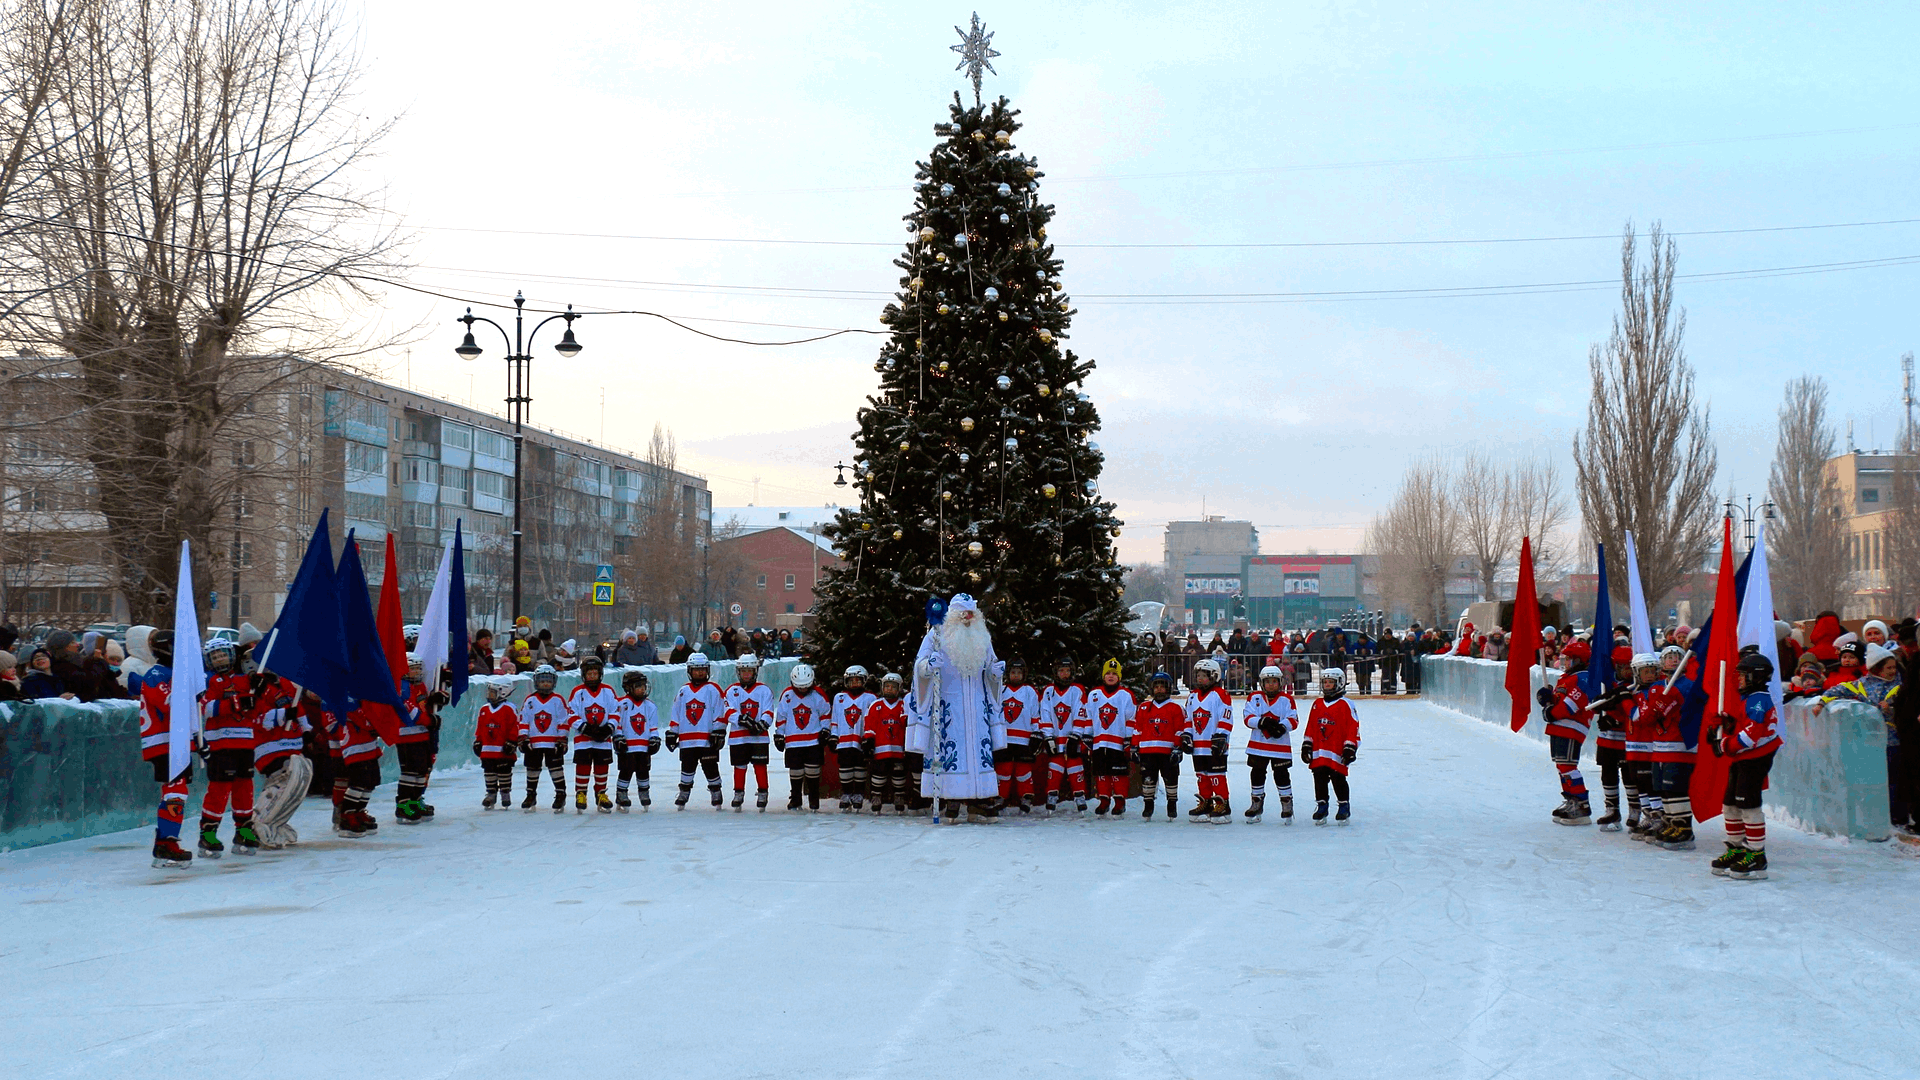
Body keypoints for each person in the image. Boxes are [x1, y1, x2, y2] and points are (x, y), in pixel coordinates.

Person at [908, 594, 1009, 821]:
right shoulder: (935, 636)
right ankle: (950, 798)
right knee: (951, 752)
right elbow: (919, 669)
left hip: (977, 706)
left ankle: (979, 800)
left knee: (977, 752)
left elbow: (990, 667)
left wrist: (995, 674)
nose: (967, 619)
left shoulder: (983, 637)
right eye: (963, 614)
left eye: (971, 615)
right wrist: (928, 666)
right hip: (948, 707)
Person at [1708, 653, 1781, 879]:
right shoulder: (1749, 698)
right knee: (1730, 803)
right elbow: (1744, 725)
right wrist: (1729, 724)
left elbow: (1752, 735)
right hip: (1743, 757)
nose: (1738, 680)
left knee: (1748, 803)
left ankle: (1757, 854)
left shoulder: (1759, 698)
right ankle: (1736, 847)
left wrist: (1724, 744)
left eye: (1742, 675)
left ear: (1755, 676)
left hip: (1755, 757)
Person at [1813, 643, 1902, 827]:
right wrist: (1821, 703)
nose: (1893, 671)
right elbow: (1837, 690)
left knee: (1894, 780)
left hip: (1893, 740)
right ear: (1877, 668)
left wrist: (1891, 710)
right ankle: (1873, 814)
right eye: (1889, 668)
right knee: (1872, 781)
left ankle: (1895, 816)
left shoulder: (1901, 685)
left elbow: (1907, 712)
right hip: (1869, 742)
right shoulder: (1863, 684)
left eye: (1894, 667)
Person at [195, 641, 260, 857]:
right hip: (220, 743)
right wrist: (235, 704)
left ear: (232, 656)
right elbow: (205, 708)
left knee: (244, 787)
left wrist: (259, 691)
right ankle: (208, 834)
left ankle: (243, 830)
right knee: (219, 789)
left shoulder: (245, 679)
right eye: (215, 657)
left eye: (222, 655)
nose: (219, 660)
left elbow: (256, 709)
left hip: (245, 743)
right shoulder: (208, 681)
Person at [135, 631, 194, 868]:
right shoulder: (157, 673)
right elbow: (170, 703)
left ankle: (165, 840)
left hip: (175, 740)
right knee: (175, 791)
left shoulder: (173, 673)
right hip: (163, 741)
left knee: (176, 790)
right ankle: (166, 843)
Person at [1536, 639, 1593, 825]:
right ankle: (1571, 799)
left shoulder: (1583, 678)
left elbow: (1570, 705)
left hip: (1572, 727)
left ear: (1579, 660)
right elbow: (1559, 701)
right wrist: (1547, 699)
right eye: (1564, 658)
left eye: (1569, 659)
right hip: (1560, 727)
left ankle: (1581, 804)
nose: (1565, 663)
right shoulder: (1567, 677)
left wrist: (1550, 712)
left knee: (1568, 766)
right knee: (1562, 766)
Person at [247, 674, 308, 848]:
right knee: (280, 782)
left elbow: (297, 707)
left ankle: (275, 820)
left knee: (294, 786)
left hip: (290, 744)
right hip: (269, 746)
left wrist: (306, 729)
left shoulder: (286, 684)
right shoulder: (254, 688)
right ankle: (257, 821)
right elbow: (257, 717)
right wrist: (283, 714)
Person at [1584, 647, 1637, 831]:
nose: (1625, 670)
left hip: (1626, 740)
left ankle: (1635, 809)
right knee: (1608, 773)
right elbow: (1597, 703)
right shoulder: (1609, 684)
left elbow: (1635, 711)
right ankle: (1611, 809)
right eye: (1621, 666)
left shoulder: (1636, 687)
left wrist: (1616, 720)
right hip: (1607, 740)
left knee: (1629, 776)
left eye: (1628, 666)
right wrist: (1599, 708)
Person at [668, 653, 726, 810]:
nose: (699, 673)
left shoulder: (713, 689)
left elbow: (719, 712)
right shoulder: (683, 691)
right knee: (687, 766)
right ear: (689, 671)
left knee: (710, 765)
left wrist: (719, 731)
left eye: (702, 669)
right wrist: (673, 732)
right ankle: (684, 792)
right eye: (696, 670)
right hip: (687, 739)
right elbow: (677, 713)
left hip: (706, 738)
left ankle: (716, 791)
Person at [1302, 667, 1361, 823]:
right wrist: (1307, 744)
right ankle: (1322, 805)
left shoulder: (1346, 704)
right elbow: (1311, 726)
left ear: (1340, 683)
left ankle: (1343, 805)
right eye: (1325, 682)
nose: (1327, 685)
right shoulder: (1317, 703)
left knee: (1338, 778)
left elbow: (1353, 726)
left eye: (1331, 682)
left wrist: (1350, 747)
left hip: (1337, 750)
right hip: (1320, 750)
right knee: (1319, 777)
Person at [1242, 664, 1299, 823]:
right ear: (1262, 683)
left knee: (1281, 775)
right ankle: (1256, 803)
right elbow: (1247, 717)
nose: (1271, 684)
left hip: (1280, 747)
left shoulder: (1287, 699)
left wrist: (1282, 727)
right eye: (1268, 681)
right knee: (1257, 773)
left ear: (1280, 682)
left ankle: (1286, 802)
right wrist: (1261, 722)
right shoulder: (1255, 697)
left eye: (1274, 681)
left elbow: (1294, 719)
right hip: (1258, 745)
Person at [393, 655, 444, 824]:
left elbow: (423, 705)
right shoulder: (402, 687)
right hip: (407, 736)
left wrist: (436, 701)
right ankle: (403, 804)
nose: (417, 672)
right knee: (410, 771)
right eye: (413, 668)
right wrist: (429, 720)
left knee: (422, 769)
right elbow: (410, 710)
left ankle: (415, 799)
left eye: (418, 668)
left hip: (422, 735)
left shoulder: (420, 686)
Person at [1084, 659, 1137, 817]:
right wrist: (1087, 736)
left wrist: (1128, 739)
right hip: (1099, 742)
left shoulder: (1126, 695)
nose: (1111, 676)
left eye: (1114, 673)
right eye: (1108, 673)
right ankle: (1104, 800)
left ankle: (1120, 802)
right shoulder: (1094, 694)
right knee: (1101, 773)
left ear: (1119, 676)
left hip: (1118, 743)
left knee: (1118, 773)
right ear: (1103, 676)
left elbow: (1131, 718)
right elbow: (1089, 716)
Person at [567, 656, 620, 813]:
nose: (592, 677)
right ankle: (581, 794)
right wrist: (585, 728)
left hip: (603, 739)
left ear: (600, 674)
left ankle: (601, 794)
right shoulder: (578, 692)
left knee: (601, 767)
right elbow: (571, 714)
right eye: (589, 674)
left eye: (594, 674)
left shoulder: (608, 691)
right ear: (584, 675)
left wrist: (608, 728)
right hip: (583, 739)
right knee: (583, 766)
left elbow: (615, 712)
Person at [724, 654, 775, 812]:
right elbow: (728, 710)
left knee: (760, 765)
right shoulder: (732, 691)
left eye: (750, 671)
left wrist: (762, 724)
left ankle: (763, 792)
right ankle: (738, 792)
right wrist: (742, 720)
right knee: (739, 766)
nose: (746, 674)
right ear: (738, 672)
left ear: (755, 671)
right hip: (738, 738)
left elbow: (768, 710)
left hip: (759, 738)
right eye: (743, 671)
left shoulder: (764, 690)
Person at [776, 663, 831, 811]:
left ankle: (814, 798)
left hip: (813, 741)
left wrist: (826, 730)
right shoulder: (787, 695)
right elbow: (781, 716)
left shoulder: (818, 695)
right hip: (793, 742)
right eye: (799, 686)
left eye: (806, 686)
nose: (803, 689)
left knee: (813, 771)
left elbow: (825, 714)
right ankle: (795, 798)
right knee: (796, 771)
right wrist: (779, 734)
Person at [1184, 657, 1233, 822]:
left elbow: (1226, 716)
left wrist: (1221, 735)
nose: (1200, 679)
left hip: (1215, 744)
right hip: (1198, 745)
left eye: (1204, 675)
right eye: (1198, 675)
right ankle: (1205, 803)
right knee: (1201, 776)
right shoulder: (1192, 696)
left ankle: (1223, 804)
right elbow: (1187, 718)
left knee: (1216, 775)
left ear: (1214, 676)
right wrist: (1186, 735)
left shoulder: (1221, 694)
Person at [1133, 671, 1187, 820]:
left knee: (1171, 778)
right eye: (1156, 686)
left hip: (1167, 752)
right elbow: (1137, 728)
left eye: (1162, 686)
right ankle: (1148, 806)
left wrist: (1178, 748)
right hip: (1147, 751)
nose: (1159, 689)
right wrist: (1134, 746)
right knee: (1148, 779)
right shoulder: (1143, 708)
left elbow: (1180, 730)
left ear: (1169, 688)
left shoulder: (1176, 708)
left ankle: (1172, 805)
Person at [1039, 657, 1088, 814]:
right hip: (1055, 738)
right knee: (1055, 767)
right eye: (1061, 671)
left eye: (1067, 671)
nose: (1065, 674)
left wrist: (1076, 735)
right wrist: (1048, 736)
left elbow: (1081, 713)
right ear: (1055, 673)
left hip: (1072, 738)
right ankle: (1051, 796)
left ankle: (1080, 796)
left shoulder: (1077, 690)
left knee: (1075, 767)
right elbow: (1045, 714)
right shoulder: (1048, 691)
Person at [518, 666, 571, 813]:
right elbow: (524, 720)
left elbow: (564, 721)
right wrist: (523, 738)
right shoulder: (530, 700)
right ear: (536, 682)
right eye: (542, 681)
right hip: (533, 743)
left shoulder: (558, 700)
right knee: (532, 768)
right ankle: (531, 794)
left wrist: (562, 739)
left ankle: (560, 794)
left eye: (548, 681)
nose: (545, 684)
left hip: (553, 743)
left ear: (554, 682)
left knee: (556, 768)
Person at [996, 658, 1043, 813]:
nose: (1016, 675)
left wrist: (1036, 733)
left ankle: (1026, 797)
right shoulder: (1000, 690)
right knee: (1004, 769)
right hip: (1004, 738)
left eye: (1019, 672)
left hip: (1024, 739)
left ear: (1024, 674)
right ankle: (1000, 797)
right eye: (1013, 672)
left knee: (1023, 770)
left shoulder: (1030, 691)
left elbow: (1035, 714)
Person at [612, 670, 661, 812]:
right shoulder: (621, 704)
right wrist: (618, 736)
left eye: (644, 686)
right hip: (627, 747)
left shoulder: (650, 706)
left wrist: (654, 739)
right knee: (626, 771)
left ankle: (644, 791)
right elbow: (617, 723)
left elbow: (653, 726)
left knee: (643, 771)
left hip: (643, 747)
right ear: (628, 688)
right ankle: (621, 793)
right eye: (638, 686)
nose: (642, 689)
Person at [864, 673, 911, 813]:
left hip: (898, 750)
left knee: (899, 775)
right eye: (887, 686)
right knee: (879, 774)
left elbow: (906, 723)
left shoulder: (903, 704)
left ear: (900, 688)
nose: (889, 689)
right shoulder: (876, 705)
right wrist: (868, 740)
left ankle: (899, 797)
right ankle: (876, 797)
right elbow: (870, 724)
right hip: (880, 749)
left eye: (893, 687)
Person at [831, 666, 876, 813]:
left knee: (859, 767)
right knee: (845, 767)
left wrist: (869, 738)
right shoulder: (839, 698)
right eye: (851, 680)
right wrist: (833, 735)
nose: (854, 683)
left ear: (864, 681)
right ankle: (846, 793)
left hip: (861, 740)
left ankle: (858, 794)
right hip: (843, 740)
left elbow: (872, 720)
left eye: (858, 680)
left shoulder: (870, 698)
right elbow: (835, 719)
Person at [473, 681, 521, 810]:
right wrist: (478, 740)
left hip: (503, 749)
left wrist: (511, 741)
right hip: (487, 749)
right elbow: (480, 727)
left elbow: (515, 726)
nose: (489, 695)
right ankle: (491, 794)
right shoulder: (484, 709)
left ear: (502, 692)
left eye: (492, 692)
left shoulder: (509, 708)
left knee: (504, 772)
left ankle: (505, 793)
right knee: (489, 772)